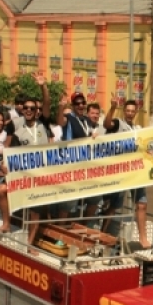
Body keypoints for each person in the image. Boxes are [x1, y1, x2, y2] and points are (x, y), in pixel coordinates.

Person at [104, 97, 150, 247]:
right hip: (120, 172)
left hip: (135, 172)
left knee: (142, 204)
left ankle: (143, 239)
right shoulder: (119, 124)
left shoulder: (137, 129)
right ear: (124, 111)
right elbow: (107, 124)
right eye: (128, 111)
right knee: (114, 206)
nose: (130, 113)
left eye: (132, 111)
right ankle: (102, 235)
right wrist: (112, 108)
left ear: (136, 112)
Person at [55, 92, 101, 222]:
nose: (80, 105)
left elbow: (91, 136)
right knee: (69, 202)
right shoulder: (69, 117)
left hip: (88, 165)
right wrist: (61, 107)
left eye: (82, 103)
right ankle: (61, 234)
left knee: (95, 197)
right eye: (77, 103)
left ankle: (85, 227)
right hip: (72, 165)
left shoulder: (87, 120)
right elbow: (60, 121)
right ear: (73, 106)